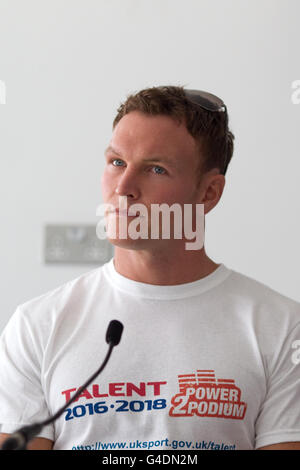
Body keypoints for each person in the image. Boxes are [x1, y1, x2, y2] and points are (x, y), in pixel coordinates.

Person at [1, 85, 300, 451]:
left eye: (156, 169)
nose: (123, 187)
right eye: (116, 162)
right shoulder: (36, 325)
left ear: (209, 193)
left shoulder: (282, 328)